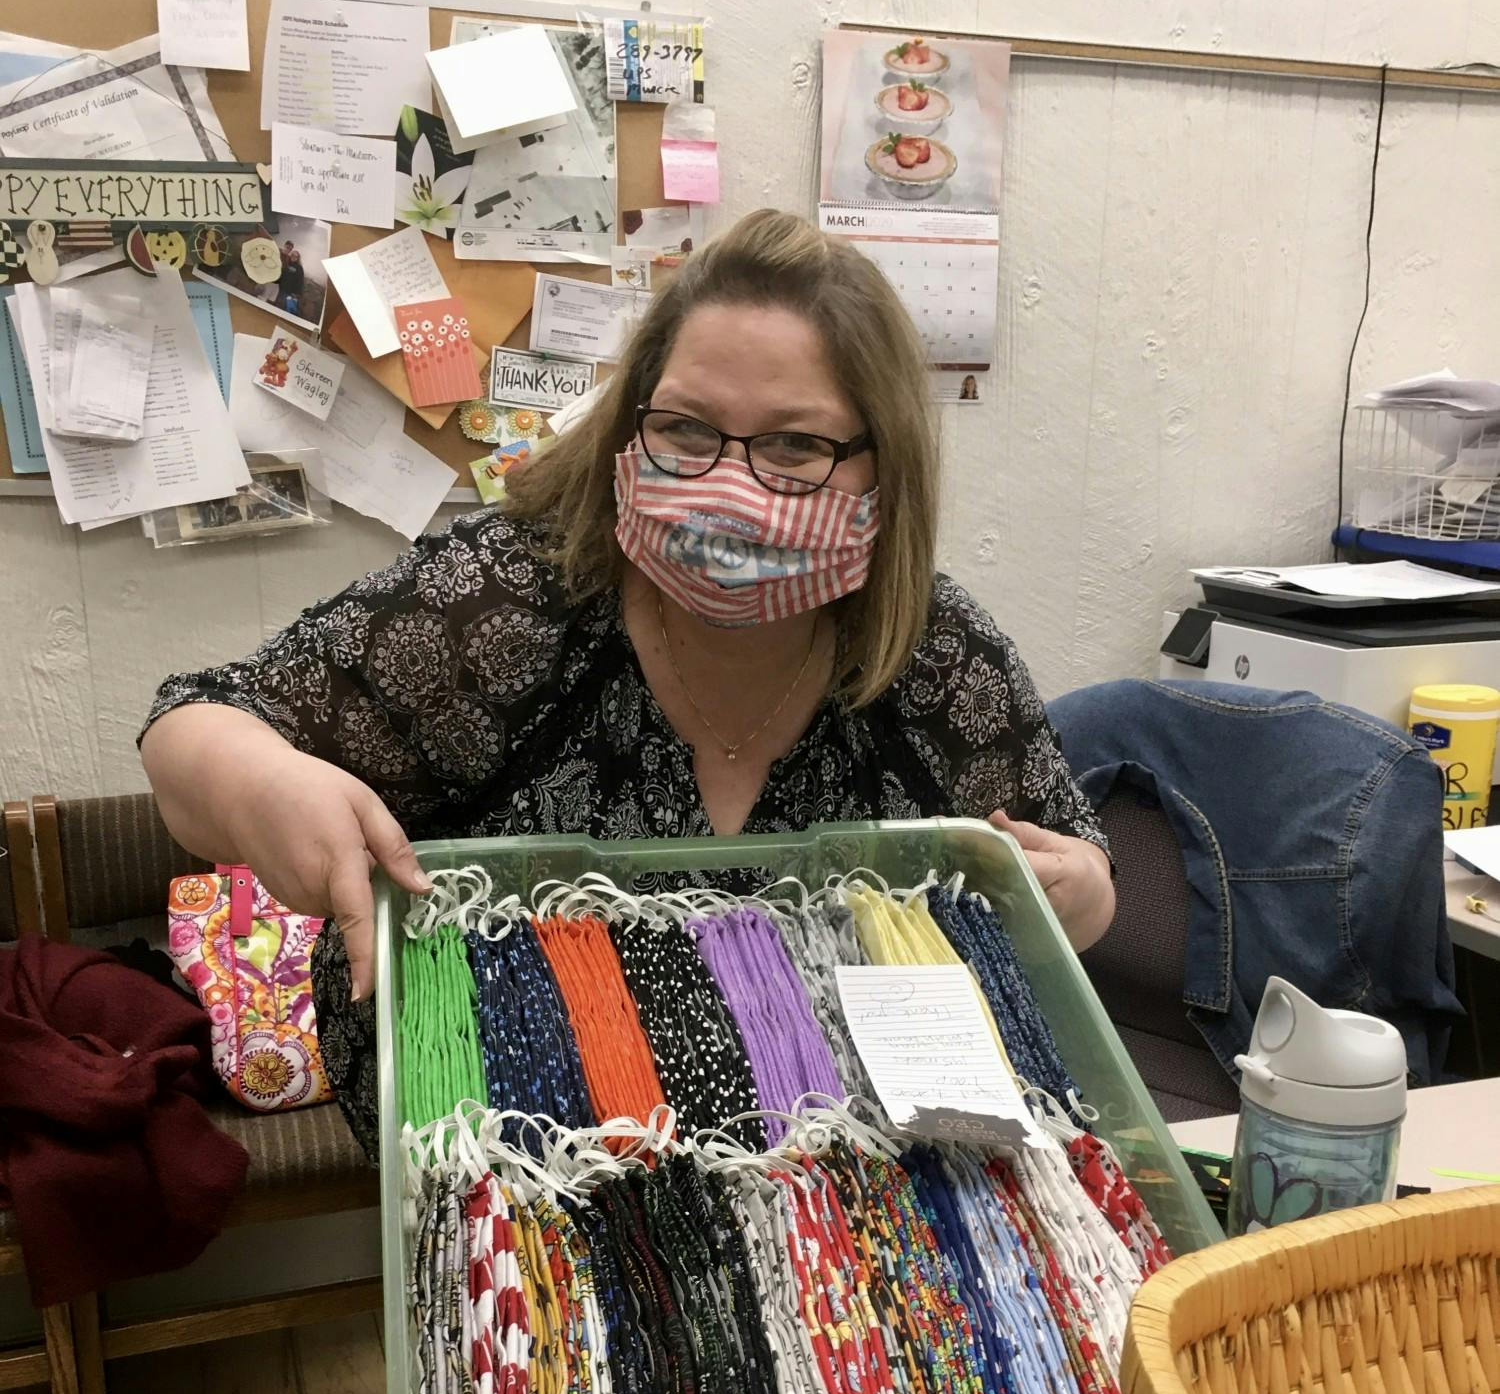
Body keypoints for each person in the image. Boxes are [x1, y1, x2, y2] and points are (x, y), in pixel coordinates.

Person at [141, 209, 1113, 1156]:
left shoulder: (934, 651)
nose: (728, 486)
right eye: (687, 429)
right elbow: (190, 728)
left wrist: (1068, 897)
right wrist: (262, 782)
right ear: (629, 428)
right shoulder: (506, 603)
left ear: (881, 464)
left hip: (830, 1155)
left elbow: (1081, 875)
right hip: (512, 1146)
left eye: (794, 444)